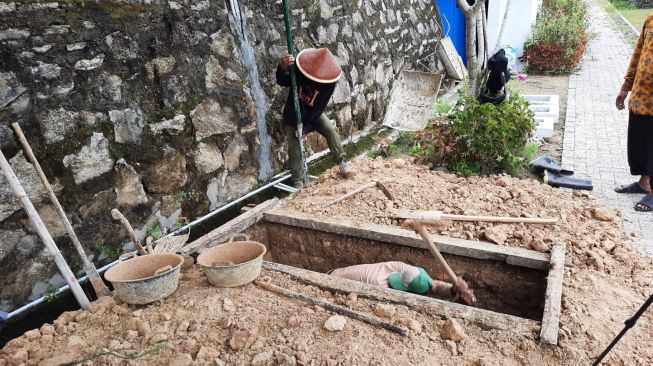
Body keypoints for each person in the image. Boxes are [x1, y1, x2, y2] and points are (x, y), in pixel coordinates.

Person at [276, 48, 353, 188]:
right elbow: (282, 81)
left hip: (314, 115)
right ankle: (298, 180)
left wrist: (306, 129)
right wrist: (282, 67)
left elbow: (319, 108)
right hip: (293, 115)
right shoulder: (302, 70)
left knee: (330, 129)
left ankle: (341, 161)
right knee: (295, 149)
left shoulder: (329, 82)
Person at [615, 15, 653, 212]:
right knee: (640, 143)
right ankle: (643, 183)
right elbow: (637, 55)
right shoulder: (650, 20)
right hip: (641, 97)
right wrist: (626, 87)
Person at [329, 261, 475, 305]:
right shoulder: (380, 287)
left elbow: (433, 285)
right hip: (332, 279)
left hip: (340, 272)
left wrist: (455, 289)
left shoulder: (403, 269)